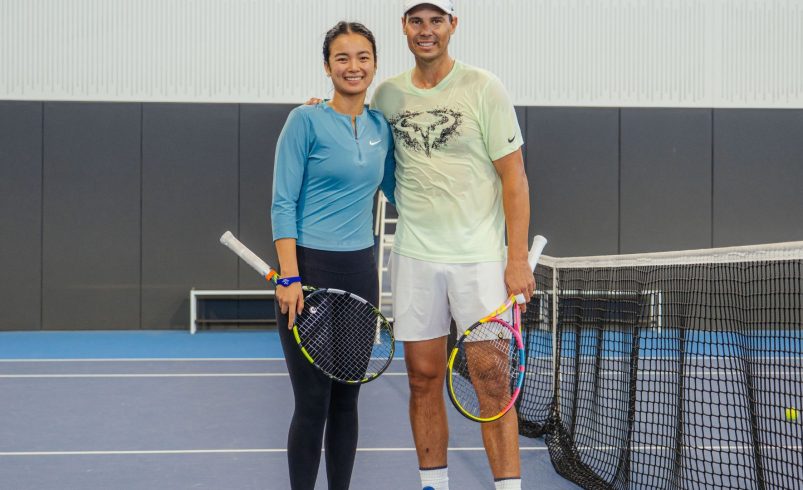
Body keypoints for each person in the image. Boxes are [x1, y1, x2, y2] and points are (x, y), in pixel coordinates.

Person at [370, 2, 534, 489]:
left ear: (452, 26)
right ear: (404, 27)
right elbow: (377, 162)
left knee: (491, 381)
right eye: (416, 21)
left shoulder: (484, 87)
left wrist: (516, 257)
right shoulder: (387, 95)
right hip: (416, 258)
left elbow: (515, 178)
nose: (426, 31)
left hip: (481, 261)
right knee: (422, 379)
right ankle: (433, 486)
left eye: (436, 21)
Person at [271, 21, 395, 490]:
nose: (353, 66)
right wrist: (290, 276)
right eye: (342, 58)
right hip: (309, 273)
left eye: (363, 57)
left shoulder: (383, 127)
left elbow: (401, 190)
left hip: (360, 274)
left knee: (347, 400)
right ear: (327, 66)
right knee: (312, 401)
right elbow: (282, 202)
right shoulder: (304, 121)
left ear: (375, 64)